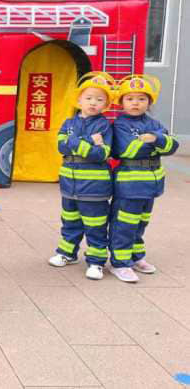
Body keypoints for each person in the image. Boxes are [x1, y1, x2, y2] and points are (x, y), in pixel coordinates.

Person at [109, 74, 178, 283]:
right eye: (130, 99)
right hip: (130, 184)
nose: (136, 103)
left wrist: (155, 138)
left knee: (140, 223)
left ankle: (136, 256)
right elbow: (128, 150)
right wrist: (154, 143)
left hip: (152, 184)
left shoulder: (154, 123)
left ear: (149, 102)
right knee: (124, 224)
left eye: (141, 98)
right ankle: (119, 263)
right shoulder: (120, 125)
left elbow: (171, 146)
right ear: (121, 102)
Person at [48, 72, 116, 280]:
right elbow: (61, 146)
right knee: (70, 221)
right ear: (79, 100)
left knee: (95, 224)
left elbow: (101, 154)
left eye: (99, 99)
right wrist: (87, 140)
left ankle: (96, 262)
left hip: (94, 186)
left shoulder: (104, 126)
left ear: (106, 104)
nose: (93, 103)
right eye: (89, 98)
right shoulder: (68, 123)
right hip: (69, 185)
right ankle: (67, 253)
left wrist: (75, 143)